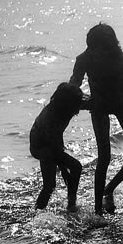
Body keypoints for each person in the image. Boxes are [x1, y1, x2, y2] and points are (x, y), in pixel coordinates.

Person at [69, 23, 123, 215]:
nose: (94, 53)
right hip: (97, 106)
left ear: (110, 46)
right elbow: (73, 87)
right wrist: (73, 102)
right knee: (104, 157)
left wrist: (104, 102)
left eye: (98, 49)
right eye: (91, 48)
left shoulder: (121, 59)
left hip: (120, 102)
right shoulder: (84, 58)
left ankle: (109, 188)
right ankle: (98, 210)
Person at [29, 81, 88, 211]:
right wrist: (63, 169)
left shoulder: (66, 107)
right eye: (76, 105)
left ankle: (39, 210)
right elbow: (53, 144)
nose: (78, 109)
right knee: (75, 168)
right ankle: (71, 204)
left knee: (50, 185)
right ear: (66, 104)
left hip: (49, 143)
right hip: (41, 147)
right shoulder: (52, 117)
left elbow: (87, 102)